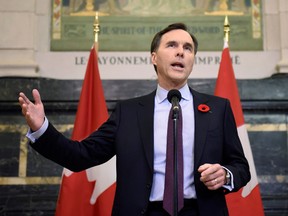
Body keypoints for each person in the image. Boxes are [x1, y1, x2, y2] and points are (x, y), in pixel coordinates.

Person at [19, 23, 250, 216]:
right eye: (172, 45)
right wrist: (41, 129)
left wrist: (226, 175)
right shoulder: (128, 113)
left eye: (188, 48)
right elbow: (80, 156)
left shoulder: (217, 109)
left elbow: (241, 167)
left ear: (192, 60)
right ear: (154, 57)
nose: (181, 52)